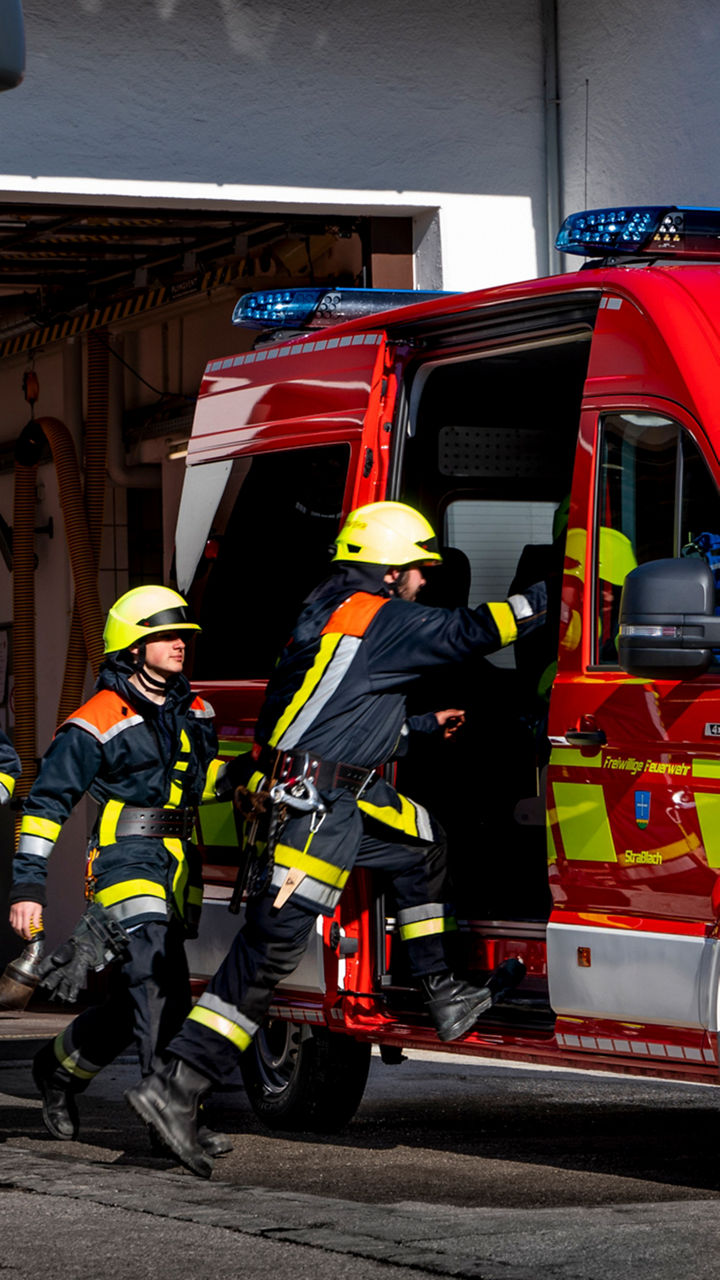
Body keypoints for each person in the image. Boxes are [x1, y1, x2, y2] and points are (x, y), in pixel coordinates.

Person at [126, 502, 547, 1178]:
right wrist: (562, 592)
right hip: (316, 814)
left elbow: (335, 711)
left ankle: (442, 991)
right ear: (392, 569)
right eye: (419, 571)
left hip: (337, 795)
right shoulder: (377, 616)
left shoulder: (334, 611)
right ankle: (174, 1088)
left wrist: (418, 728)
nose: (423, 583)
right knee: (264, 958)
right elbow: (474, 630)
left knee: (422, 844)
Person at [8, 585, 231, 1157]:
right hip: (123, 860)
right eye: (166, 636)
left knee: (149, 995)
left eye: (183, 636)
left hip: (177, 865)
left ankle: (57, 1067)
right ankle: (170, 1119)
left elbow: (198, 783)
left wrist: (244, 780)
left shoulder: (195, 711)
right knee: (154, 981)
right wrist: (29, 887)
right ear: (134, 648)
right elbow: (46, 806)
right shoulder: (96, 721)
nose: (180, 645)